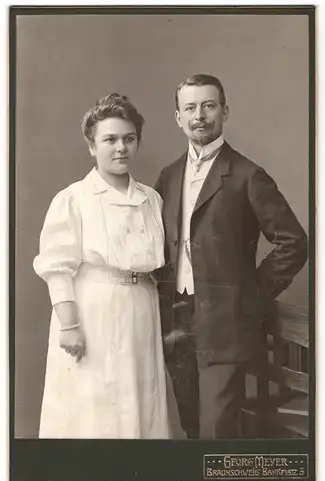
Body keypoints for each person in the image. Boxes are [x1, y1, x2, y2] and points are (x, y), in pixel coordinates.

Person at [155, 74, 308, 439]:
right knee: (191, 426)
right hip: (176, 321)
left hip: (225, 326)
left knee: (215, 432)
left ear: (225, 111)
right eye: (190, 107)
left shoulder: (247, 175)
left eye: (208, 106)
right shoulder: (169, 176)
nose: (199, 116)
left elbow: (294, 242)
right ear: (178, 117)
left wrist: (250, 294)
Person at [33, 93, 170, 439]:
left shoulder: (151, 199)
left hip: (141, 307)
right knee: (94, 401)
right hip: (93, 311)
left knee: (140, 397)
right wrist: (69, 325)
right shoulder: (73, 198)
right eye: (110, 139)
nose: (121, 147)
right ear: (92, 146)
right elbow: (57, 266)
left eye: (129, 138)